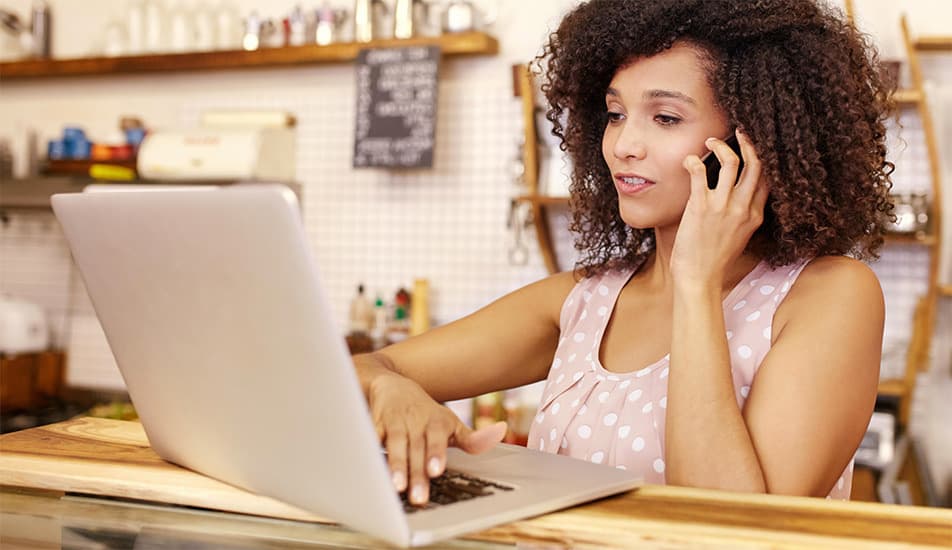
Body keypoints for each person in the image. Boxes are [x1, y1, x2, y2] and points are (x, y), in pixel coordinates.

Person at [355, 0, 893, 506]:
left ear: (754, 143)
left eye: (665, 118)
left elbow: (731, 528)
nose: (623, 145)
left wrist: (696, 283)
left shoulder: (830, 296)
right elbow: (356, 370)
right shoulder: (585, 300)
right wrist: (391, 389)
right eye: (615, 114)